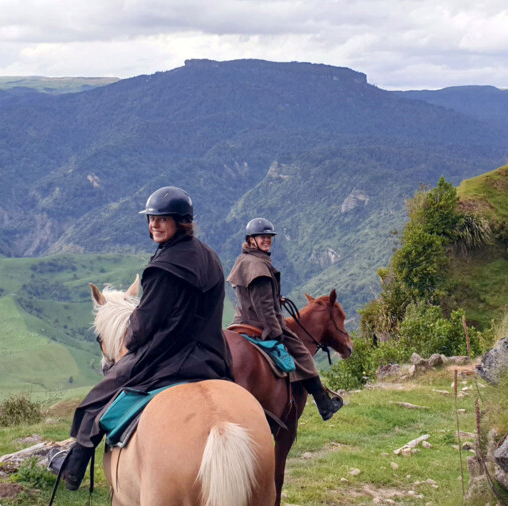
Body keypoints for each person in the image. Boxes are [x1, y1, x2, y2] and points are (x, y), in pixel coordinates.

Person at [61, 186, 233, 490]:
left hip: (168, 359)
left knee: (99, 398)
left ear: (181, 222)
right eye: (152, 218)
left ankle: (74, 465)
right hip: (212, 356)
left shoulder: (163, 267)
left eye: (163, 219)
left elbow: (142, 326)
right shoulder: (210, 257)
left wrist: (130, 334)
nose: (154, 224)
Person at [227, 217, 343, 420]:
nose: (267, 240)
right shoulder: (259, 268)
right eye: (262, 237)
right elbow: (264, 309)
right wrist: (275, 333)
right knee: (304, 355)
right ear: (251, 239)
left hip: (240, 321)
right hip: (260, 323)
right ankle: (325, 406)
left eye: (269, 237)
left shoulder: (244, 260)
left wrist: (274, 298)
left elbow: (255, 297)